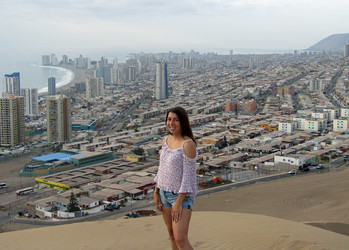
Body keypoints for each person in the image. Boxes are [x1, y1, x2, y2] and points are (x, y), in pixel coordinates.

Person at [154, 106, 198, 250]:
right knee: (172, 236)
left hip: (180, 197)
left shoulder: (188, 144)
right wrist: (156, 192)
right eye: (169, 119)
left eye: (175, 120)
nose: (171, 123)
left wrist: (178, 202)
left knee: (181, 239)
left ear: (183, 122)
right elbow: (161, 169)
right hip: (164, 193)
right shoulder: (165, 141)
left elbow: (188, 177)